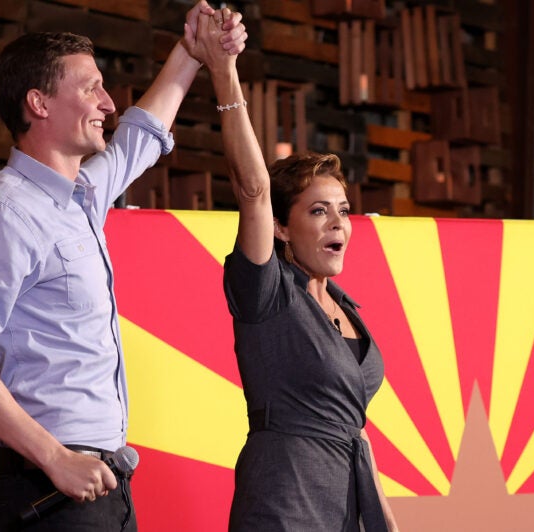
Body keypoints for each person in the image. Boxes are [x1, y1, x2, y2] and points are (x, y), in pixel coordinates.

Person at [0, 5, 247, 531]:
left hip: (101, 484)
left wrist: (193, 49)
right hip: (49, 489)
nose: (108, 103)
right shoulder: (5, 212)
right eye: (91, 88)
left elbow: (141, 136)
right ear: (39, 103)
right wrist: (54, 458)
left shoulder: (80, 196)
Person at [183, 12, 398, 531]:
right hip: (285, 501)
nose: (338, 223)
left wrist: (387, 523)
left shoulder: (347, 308)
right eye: (318, 211)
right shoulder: (267, 291)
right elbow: (253, 189)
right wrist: (225, 71)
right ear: (281, 228)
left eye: (343, 210)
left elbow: (356, 431)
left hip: (347, 504)